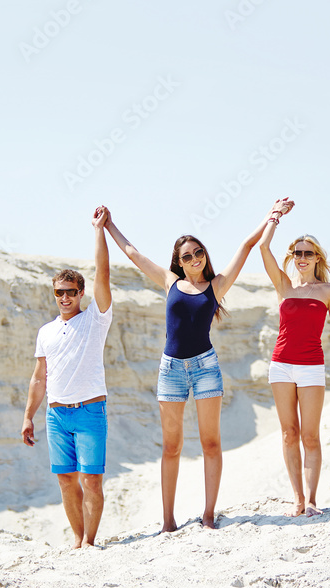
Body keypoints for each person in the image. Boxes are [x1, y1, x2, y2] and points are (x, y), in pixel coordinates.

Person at [102, 200, 290, 531]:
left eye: (197, 252)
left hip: (206, 368)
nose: (193, 259)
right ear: (178, 262)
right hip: (171, 369)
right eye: (186, 256)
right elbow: (132, 253)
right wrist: (108, 224)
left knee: (211, 443)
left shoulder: (217, 285)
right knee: (172, 446)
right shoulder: (169, 282)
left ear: (204, 254)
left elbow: (246, 246)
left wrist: (273, 215)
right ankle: (169, 521)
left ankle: (208, 515)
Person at [259, 210, 330, 517]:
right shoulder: (284, 286)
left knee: (310, 435)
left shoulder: (328, 292)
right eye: (297, 253)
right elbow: (263, 249)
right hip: (280, 365)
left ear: (318, 258)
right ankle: (296, 498)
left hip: (311, 367)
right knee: (288, 433)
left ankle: (312, 500)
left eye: (308, 253)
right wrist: (275, 217)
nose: (302, 258)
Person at [22, 206, 113, 548]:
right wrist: (28, 416)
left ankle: (90, 542)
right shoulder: (45, 332)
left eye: (70, 292)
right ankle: (78, 541)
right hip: (56, 414)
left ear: (81, 294)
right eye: (58, 292)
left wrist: (98, 231)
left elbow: (102, 274)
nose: (64, 298)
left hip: (89, 411)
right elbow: (38, 378)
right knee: (65, 479)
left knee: (91, 480)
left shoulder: (94, 320)